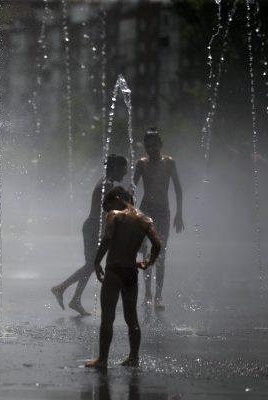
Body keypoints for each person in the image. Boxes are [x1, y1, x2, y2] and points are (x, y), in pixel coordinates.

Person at [85, 186, 161, 369]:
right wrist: (148, 262)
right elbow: (157, 244)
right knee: (131, 318)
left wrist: (96, 262)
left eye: (108, 204)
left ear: (117, 199)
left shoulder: (115, 215)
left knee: (108, 317)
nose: (107, 210)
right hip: (130, 272)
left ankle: (102, 359)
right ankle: (134, 357)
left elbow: (108, 239)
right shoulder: (145, 220)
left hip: (114, 270)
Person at [51, 155, 128, 316]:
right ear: (115, 168)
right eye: (123, 168)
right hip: (94, 227)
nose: (125, 172)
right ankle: (61, 288)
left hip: (94, 226)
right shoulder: (107, 185)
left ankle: (75, 299)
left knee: (91, 265)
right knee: (91, 265)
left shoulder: (107, 182)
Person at [134, 128, 184, 310]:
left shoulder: (169, 163)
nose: (151, 148)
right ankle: (147, 293)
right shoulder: (141, 163)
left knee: (161, 254)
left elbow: (178, 189)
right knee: (147, 253)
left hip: (163, 212)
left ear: (160, 145)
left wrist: (179, 213)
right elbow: (132, 189)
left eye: (154, 144)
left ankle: (159, 295)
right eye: (148, 145)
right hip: (146, 211)